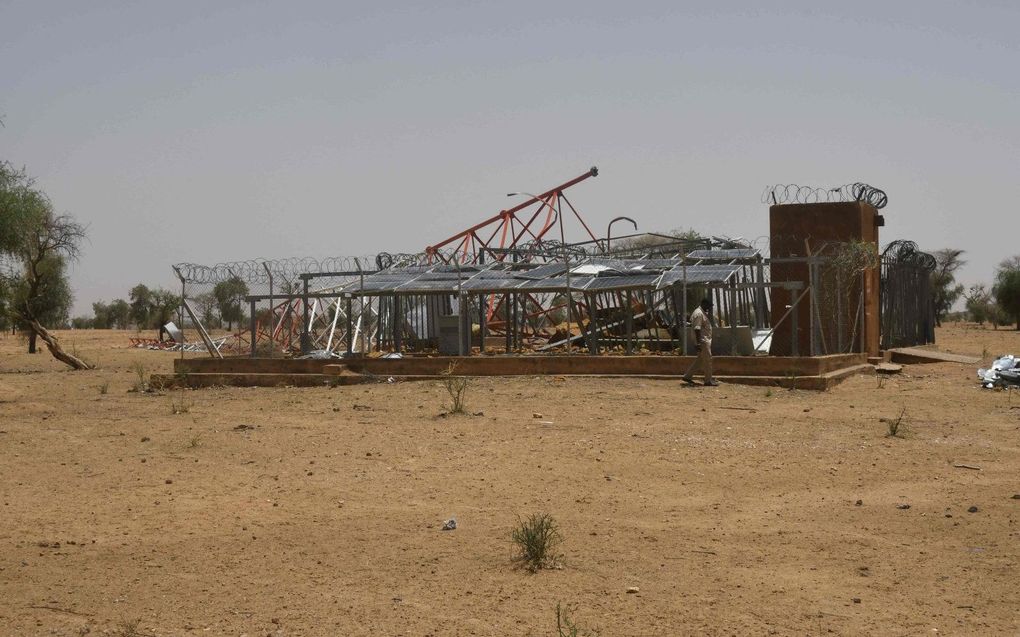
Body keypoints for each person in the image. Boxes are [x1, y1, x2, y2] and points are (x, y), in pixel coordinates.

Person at [683, 297, 718, 386]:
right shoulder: (699, 313)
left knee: (701, 360)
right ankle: (708, 380)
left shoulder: (701, 313)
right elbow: (697, 329)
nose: (709, 308)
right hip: (703, 341)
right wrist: (698, 343)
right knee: (707, 360)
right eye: (708, 306)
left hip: (704, 340)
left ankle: (687, 376)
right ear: (704, 304)